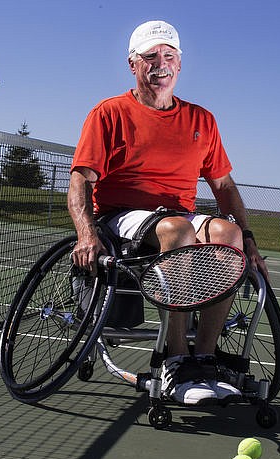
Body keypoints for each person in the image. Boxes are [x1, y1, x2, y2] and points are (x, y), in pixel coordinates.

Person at [67, 20, 268, 406]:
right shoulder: (108, 113)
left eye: (169, 56)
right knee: (178, 231)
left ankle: (204, 359)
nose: (161, 64)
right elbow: (80, 181)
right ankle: (173, 359)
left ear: (180, 64)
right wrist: (85, 233)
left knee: (228, 237)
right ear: (133, 64)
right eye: (151, 57)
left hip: (175, 215)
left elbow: (224, 187)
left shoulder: (202, 120)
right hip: (121, 216)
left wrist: (252, 242)